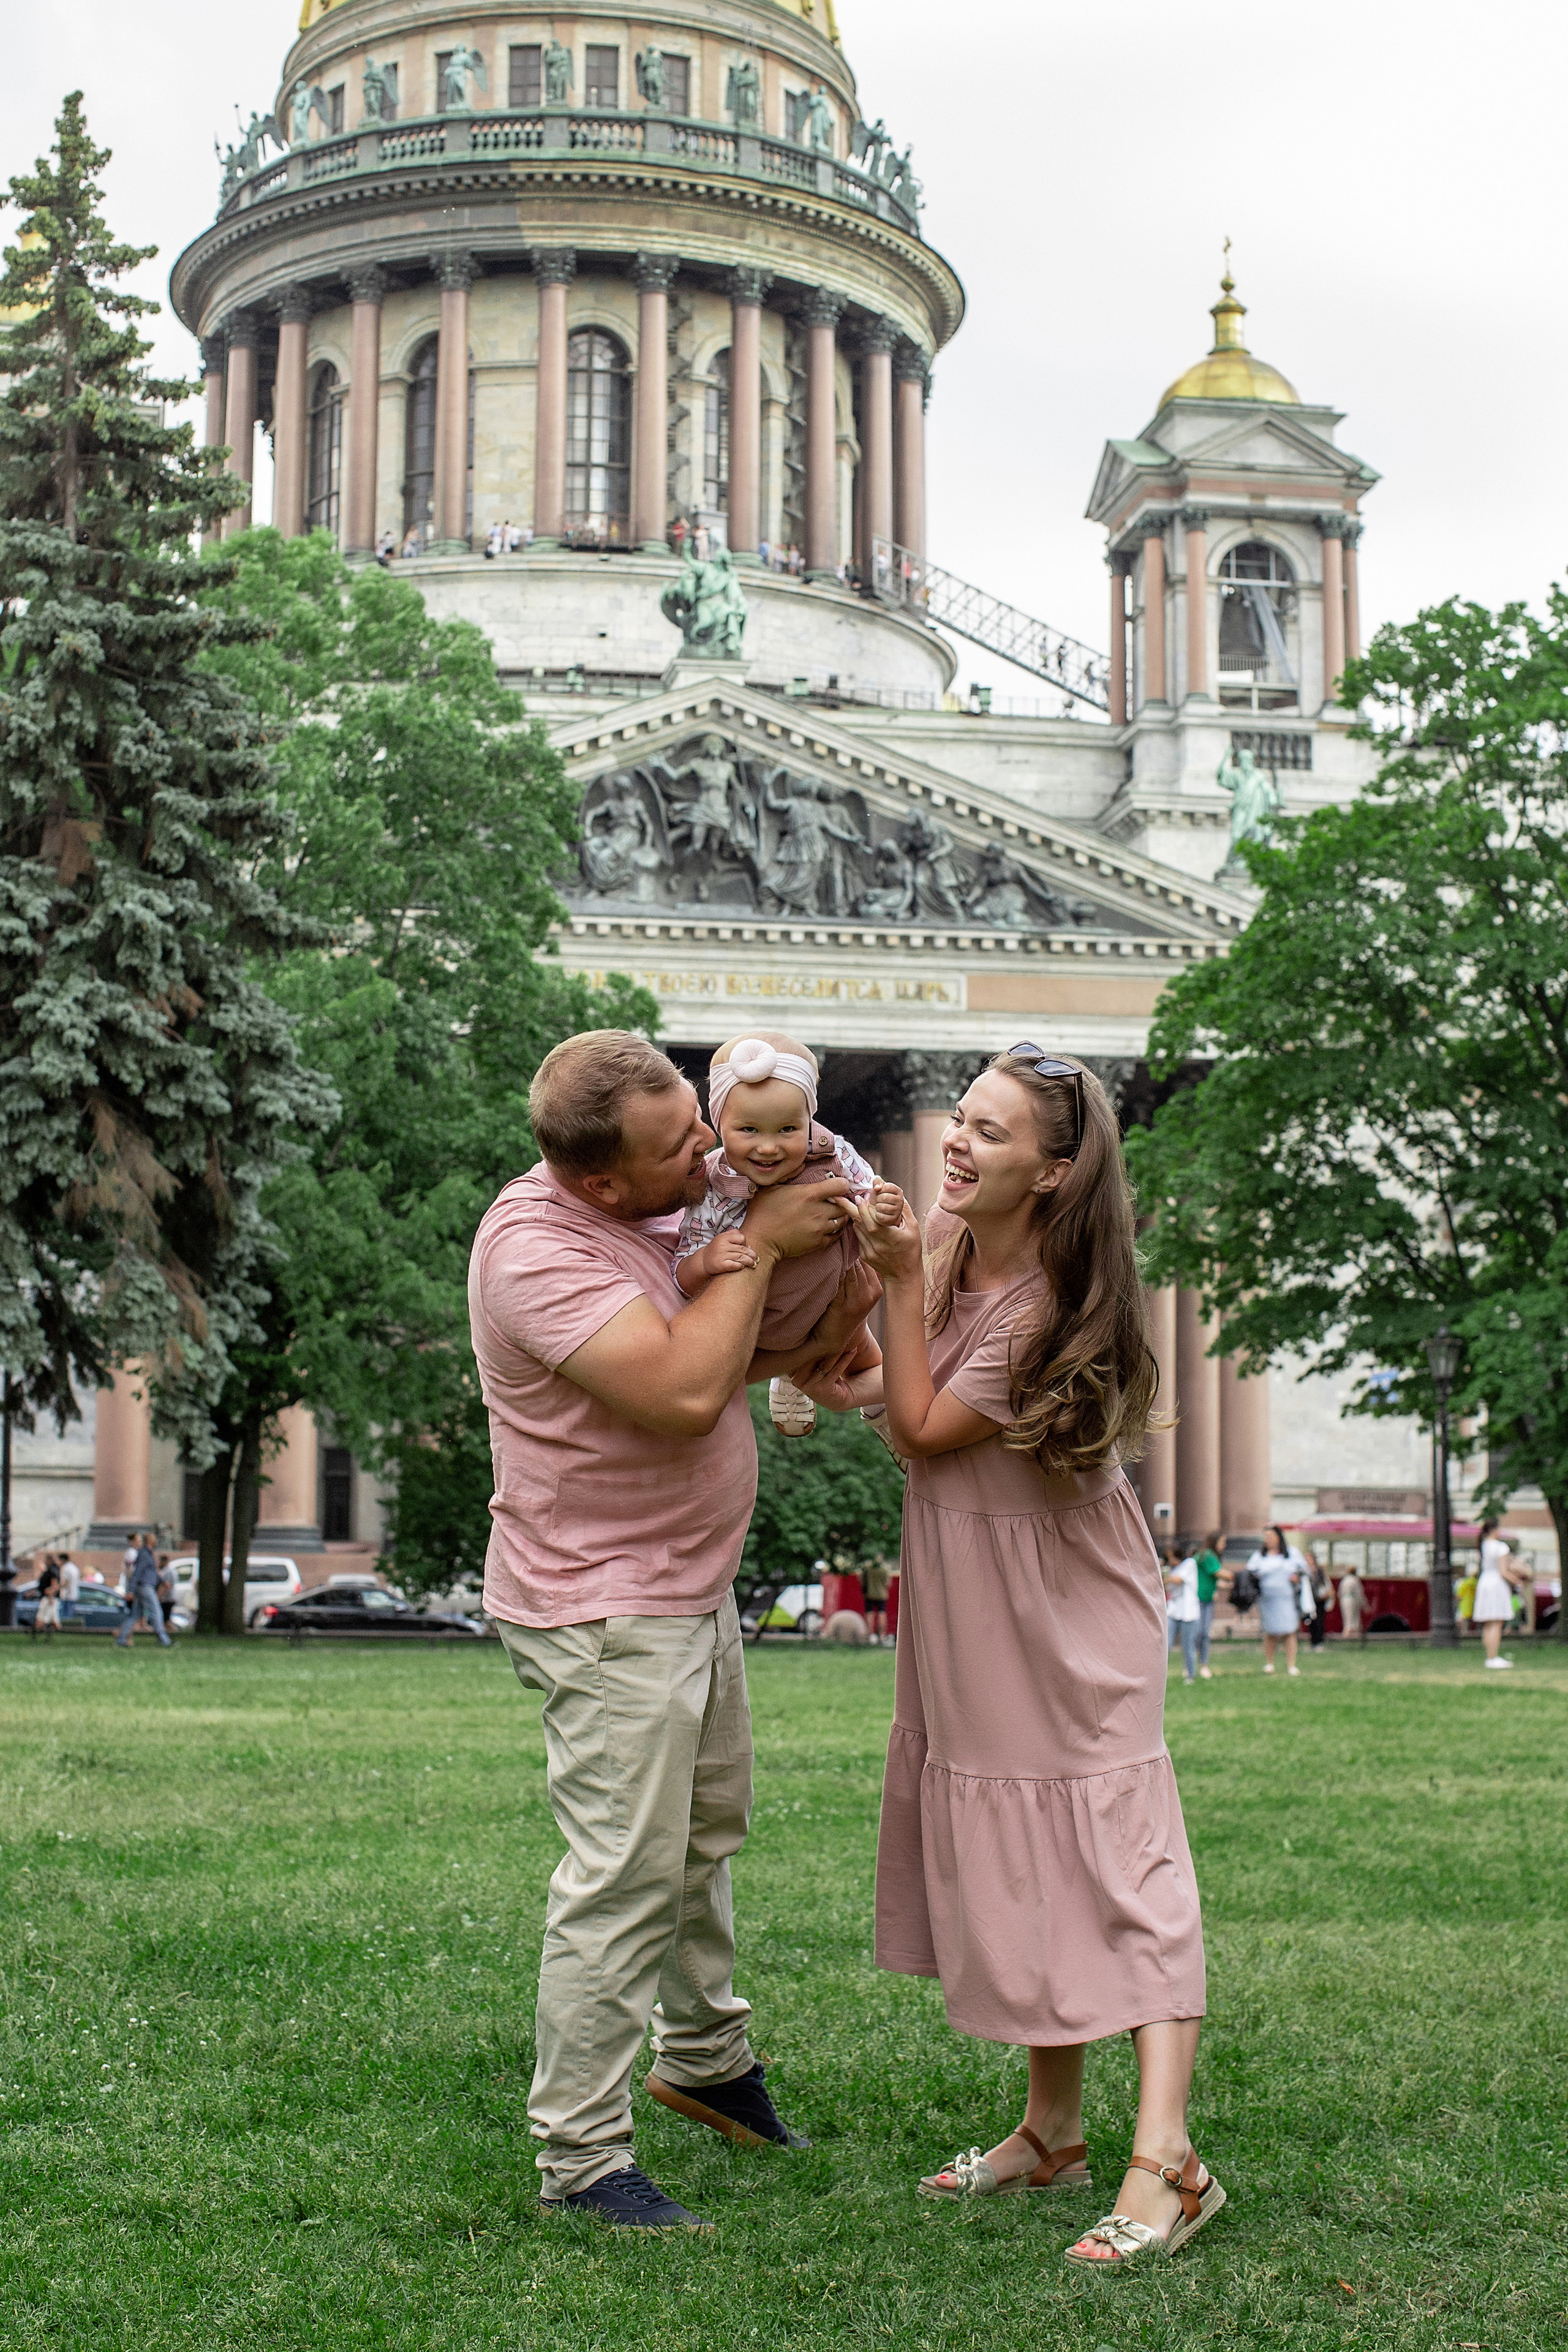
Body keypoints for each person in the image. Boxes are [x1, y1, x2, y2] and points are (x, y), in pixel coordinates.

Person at [469, 1029, 881, 2231]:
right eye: (683, 1146)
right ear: (602, 1181)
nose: (713, 1154)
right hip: (604, 1602)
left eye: (703, 1126)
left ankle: (701, 2062)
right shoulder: (537, 1250)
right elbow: (685, 1387)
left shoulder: (675, 1193)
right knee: (625, 1872)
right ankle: (582, 2160)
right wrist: (762, 1254)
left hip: (685, 1580)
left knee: (703, 1830)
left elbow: (749, 1349)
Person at [848, 1049, 1222, 2269]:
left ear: (1053, 1171)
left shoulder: (1049, 1298)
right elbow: (889, 1383)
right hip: (976, 1596)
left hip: (1064, 1605)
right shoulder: (958, 1251)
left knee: (1118, 1865)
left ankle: (1166, 2163)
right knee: (1024, 1860)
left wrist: (896, 1276)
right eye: (957, 1117)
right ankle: (1050, 2133)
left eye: (989, 1133)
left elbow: (916, 1425)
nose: (954, 1142)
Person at [673, 1034, 900, 1437]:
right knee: (775, 1359)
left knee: (867, 1361)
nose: (768, 1147)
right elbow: (680, 1272)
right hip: (765, 1320)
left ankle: (889, 1425)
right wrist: (705, 1261)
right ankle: (792, 1374)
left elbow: (870, 1192)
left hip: (835, 1295)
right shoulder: (710, 1186)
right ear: (718, 1124)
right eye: (748, 1130)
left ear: (809, 1120)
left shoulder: (836, 1153)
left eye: (787, 1129)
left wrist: (882, 1206)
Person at [1248, 1525, 1305, 1675]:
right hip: (1267, 1599)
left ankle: (1291, 1664)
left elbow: (1303, 1572)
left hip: (1286, 1598)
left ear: (1279, 1538)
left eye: (1270, 1536)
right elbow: (1251, 1572)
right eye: (1265, 1537)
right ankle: (1269, 1663)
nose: (1267, 1540)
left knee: (1289, 1631)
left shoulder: (1291, 1554)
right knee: (1270, 1631)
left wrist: (1296, 1578)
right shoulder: (1260, 1556)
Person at [1473, 1520, 1522, 1669]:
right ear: (1494, 1530)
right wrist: (1517, 1581)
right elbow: (1503, 1572)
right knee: (1496, 1623)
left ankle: (1490, 1656)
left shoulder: (1484, 1545)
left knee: (1489, 1624)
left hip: (1485, 1583)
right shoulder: (1500, 1547)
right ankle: (1493, 1658)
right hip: (1496, 1585)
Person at [115, 1534, 172, 1648]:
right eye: (154, 1539)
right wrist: (130, 1591)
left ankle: (121, 1639)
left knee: (135, 1615)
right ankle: (164, 1640)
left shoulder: (148, 1554)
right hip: (145, 1587)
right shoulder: (144, 1554)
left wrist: (162, 1581)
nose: (156, 1541)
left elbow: (152, 1571)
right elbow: (138, 1573)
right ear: (149, 1541)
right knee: (156, 1611)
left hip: (145, 1586)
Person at [1165, 1545, 1200, 1684]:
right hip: (1174, 1611)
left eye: (1172, 1557)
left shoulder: (1189, 1564)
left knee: (1188, 1646)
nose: (1170, 1561)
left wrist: (1163, 1575)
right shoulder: (1171, 1570)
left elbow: (1178, 1580)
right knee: (1166, 1644)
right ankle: (1159, 1676)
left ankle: (1191, 1675)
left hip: (1189, 1612)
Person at [1194, 1531, 1224, 1678]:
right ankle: (1196, 1665)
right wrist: (1239, 1577)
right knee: (1200, 1633)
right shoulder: (1208, 1555)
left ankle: (1201, 1665)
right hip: (1199, 1599)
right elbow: (1220, 1573)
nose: (1224, 1546)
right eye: (1222, 1542)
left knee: (1203, 1633)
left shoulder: (1205, 1555)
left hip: (1207, 1599)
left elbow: (1211, 1578)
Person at [1304, 1547, 1330, 1649]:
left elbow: (1324, 1583)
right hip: (1310, 1598)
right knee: (1311, 1620)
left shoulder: (1319, 1570)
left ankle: (1319, 1641)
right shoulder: (1305, 1570)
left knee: (1319, 1620)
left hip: (1320, 1599)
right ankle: (1313, 1641)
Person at [863, 1553, 892, 1644]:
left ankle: (871, 1636)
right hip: (882, 1595)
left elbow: (863, 1580)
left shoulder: (867, 1567)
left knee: (870, 1613)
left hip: (870, 1594)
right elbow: (888, 1583)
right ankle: (882, 1636)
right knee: (882, 1613)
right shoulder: (885, 1568)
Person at [1336, 1560, 1366, 1645]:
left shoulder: (1344, 1580)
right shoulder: (1355, 1580)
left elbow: (1339, 1592)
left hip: (1344, 1599)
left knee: (1347, 1617)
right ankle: (1352, 1635)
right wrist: (1364, 1605)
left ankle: (1347, 1634)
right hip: (1352, 1599)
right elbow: (1359, 1593)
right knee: (1354, 1618)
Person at [32, 1554, 61, 1640]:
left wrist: (51, 1597)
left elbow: (53, 1585)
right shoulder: (53, 1570)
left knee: (41, 1619)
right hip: (50, 1598)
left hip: (48, 1599)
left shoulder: (52, 1571)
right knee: (54, 1620)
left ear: (49, 1561)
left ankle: (34, 1636)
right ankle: (51, 1638)